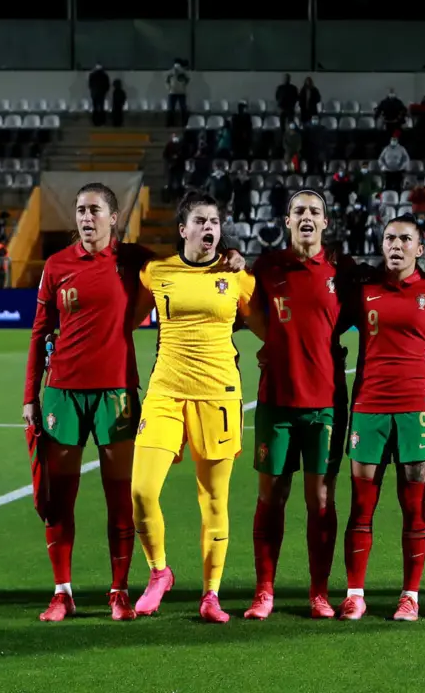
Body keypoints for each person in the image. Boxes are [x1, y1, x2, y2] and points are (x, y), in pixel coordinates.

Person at [22, 184, 154, 622]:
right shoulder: (57, 265)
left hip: (116, 393)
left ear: (114, 218)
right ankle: (63, 592)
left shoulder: (134, 261)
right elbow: (40, 331)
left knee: (119, 498)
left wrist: (227, 256)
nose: (86, 217)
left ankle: (119, 591)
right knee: (60, 498)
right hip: (62, 391)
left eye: (95, 210)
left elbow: (188, 263)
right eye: (80, 210)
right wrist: (30, 397)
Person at [130, 191, 256, 624]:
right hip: (165, 392)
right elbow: (123, 307)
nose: (209, 228)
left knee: (215, 501)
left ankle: (211, 594)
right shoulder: (156, 272)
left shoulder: (237, 275)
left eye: (215, 222)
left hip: (218, 396)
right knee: (142, 491)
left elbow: (272, 326)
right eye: (200, 221)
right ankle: (159, 572)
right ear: (182, 229)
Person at [242, 191, 351, 621]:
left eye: (315, 212)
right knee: (272, 496)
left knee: (320, 498)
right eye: (299, 211)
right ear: (287, 220)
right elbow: (242, 308)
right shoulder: (267, 268)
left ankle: (319, 592)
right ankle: (264, 591)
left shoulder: (342, 272)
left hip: (325, 403)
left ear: (326, 222)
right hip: (275, 402)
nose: (307, 217)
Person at [338, 216, 425, 622]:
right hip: (368, 408)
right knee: (361, 506)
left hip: (416, 410)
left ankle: (411, 595)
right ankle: (354, 593)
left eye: (405, 239)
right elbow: (324, 324)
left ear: (420, 248)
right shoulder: (363, 290)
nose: (396, 244)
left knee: (413, 506)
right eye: (389, 238)